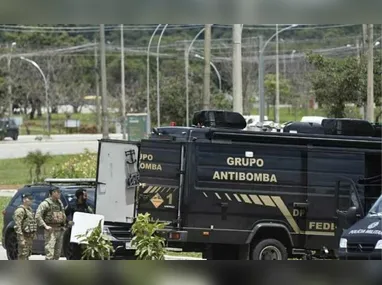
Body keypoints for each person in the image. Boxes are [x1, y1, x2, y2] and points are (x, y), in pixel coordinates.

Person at [35, 187, 68, 260]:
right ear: (53, 193)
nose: (59, 193)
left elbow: (63, 214)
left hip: (59, 230)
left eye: (60, 192)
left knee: (57, 254)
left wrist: (64, 224)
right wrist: (45, 226)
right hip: (51, 231)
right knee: (50, 254)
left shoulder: (59, 203)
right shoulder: (45, 203)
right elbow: (37, 216)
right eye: (58, 192)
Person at [65, 188, 94, 260]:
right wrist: (68, 221)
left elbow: (92, 215)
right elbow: (64, 214)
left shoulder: (87, 206)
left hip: (85, 232)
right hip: (73, 232)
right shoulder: (72, 205)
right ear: (80, 196)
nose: (86, 197)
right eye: (85, 195)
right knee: (73, 250)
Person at [13, 192, 38, 260]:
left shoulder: (29, 210)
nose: (31, 200)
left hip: (29, 237)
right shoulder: (20, 210)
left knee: (27, 254)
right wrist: (21, 239)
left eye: (31, 199)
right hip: (24, 237)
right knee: (22, 256)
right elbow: (17, 226)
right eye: (29, 199)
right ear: (24, 200)